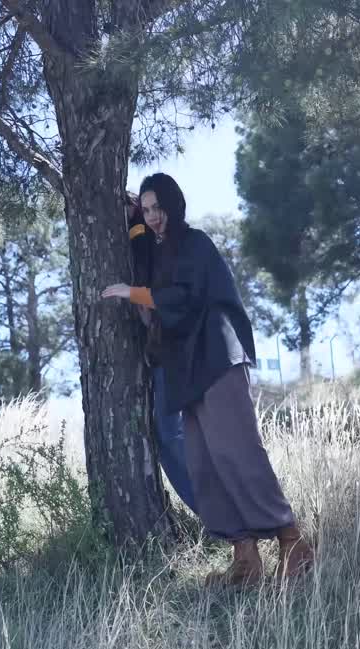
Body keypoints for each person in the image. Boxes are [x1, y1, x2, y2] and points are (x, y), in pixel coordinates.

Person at [103, 173, 314, 585]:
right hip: (185, 368)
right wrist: (132, 225)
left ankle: (293, 542)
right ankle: (245, 558)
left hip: (217, 357)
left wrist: (134, 294)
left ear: (174, 205)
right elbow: (151, 269)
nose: (154, 217)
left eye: (158, 207)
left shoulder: (195, 243)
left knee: (237, 451)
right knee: (204, 463)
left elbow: (182, 297)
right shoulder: (159, 252)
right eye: (146, 211)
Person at [125, 191, 198, 514]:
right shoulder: (143, 239)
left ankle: (219, 514)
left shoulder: (151, 238)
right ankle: (217, 514)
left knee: (171, 436)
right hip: (164, 351)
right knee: (171, 437)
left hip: (174, 348)